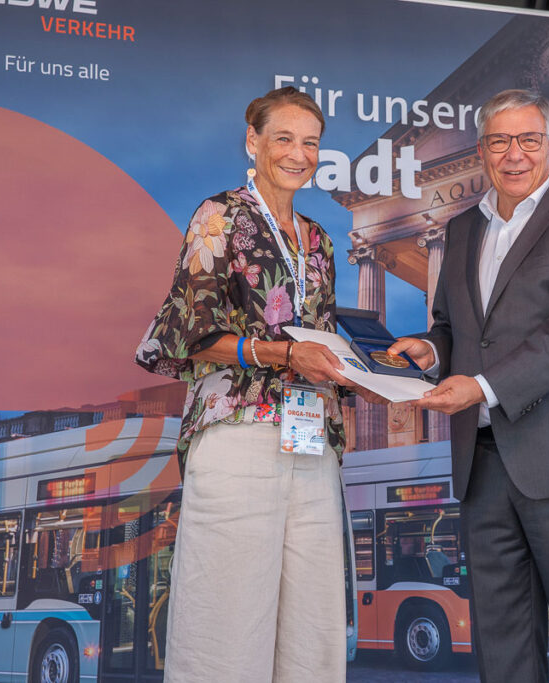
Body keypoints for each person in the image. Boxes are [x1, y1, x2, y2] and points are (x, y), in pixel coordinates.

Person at [388, 89, 549, 683]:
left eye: (529, 140)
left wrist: (478, 386)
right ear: (482, 151)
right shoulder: (460, 229)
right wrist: (431, 349)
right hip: (485, 466)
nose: (514, 154)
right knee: (500, 649)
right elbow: (454, 327)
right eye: (500, 141)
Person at [135, 86, 372, 682]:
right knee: (226, 622)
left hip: (311, 443)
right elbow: (189, 334)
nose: (298, 154)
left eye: (311, 142)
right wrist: (281, 353)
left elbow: (321, 340)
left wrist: (362, 372)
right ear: (254, 141)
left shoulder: (318, 241)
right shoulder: (219, 217)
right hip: (237, 435)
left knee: (313, 628)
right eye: (284, 139)